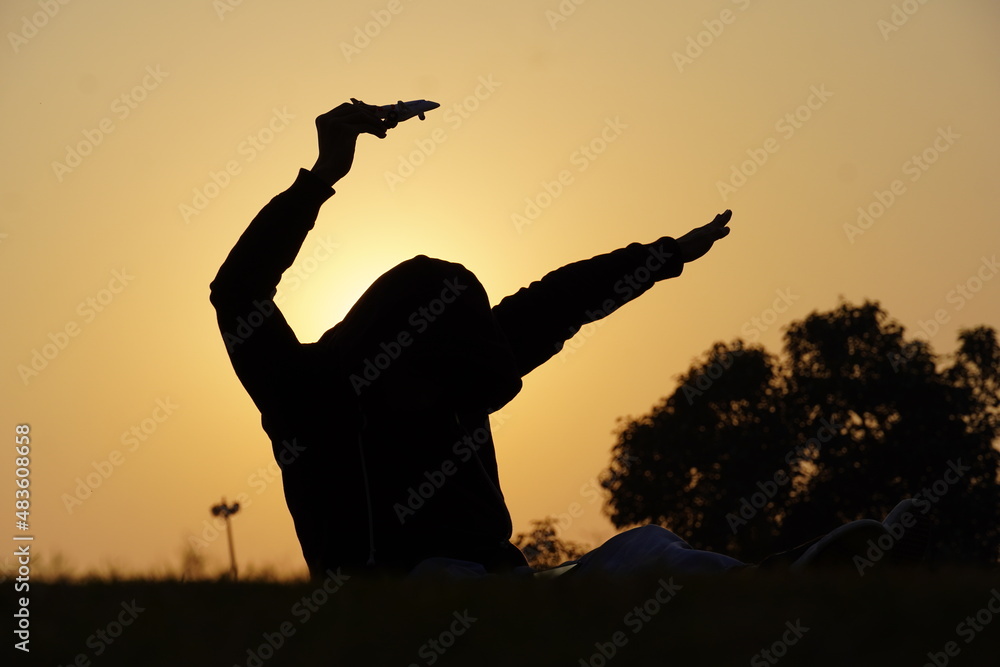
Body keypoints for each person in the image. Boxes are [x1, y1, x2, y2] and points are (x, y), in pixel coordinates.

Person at [212, 100, 917, 579]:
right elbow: (237, 292)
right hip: (398, 599)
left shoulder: (460, 361)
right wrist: (323, 175)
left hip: (503, 582)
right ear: (399, 356)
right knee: (443, 580)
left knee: (643, 550)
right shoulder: (307, 394)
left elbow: (560, 301)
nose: (451, 407)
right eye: (437, 391)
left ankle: (770, 580)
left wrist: (663, 254)